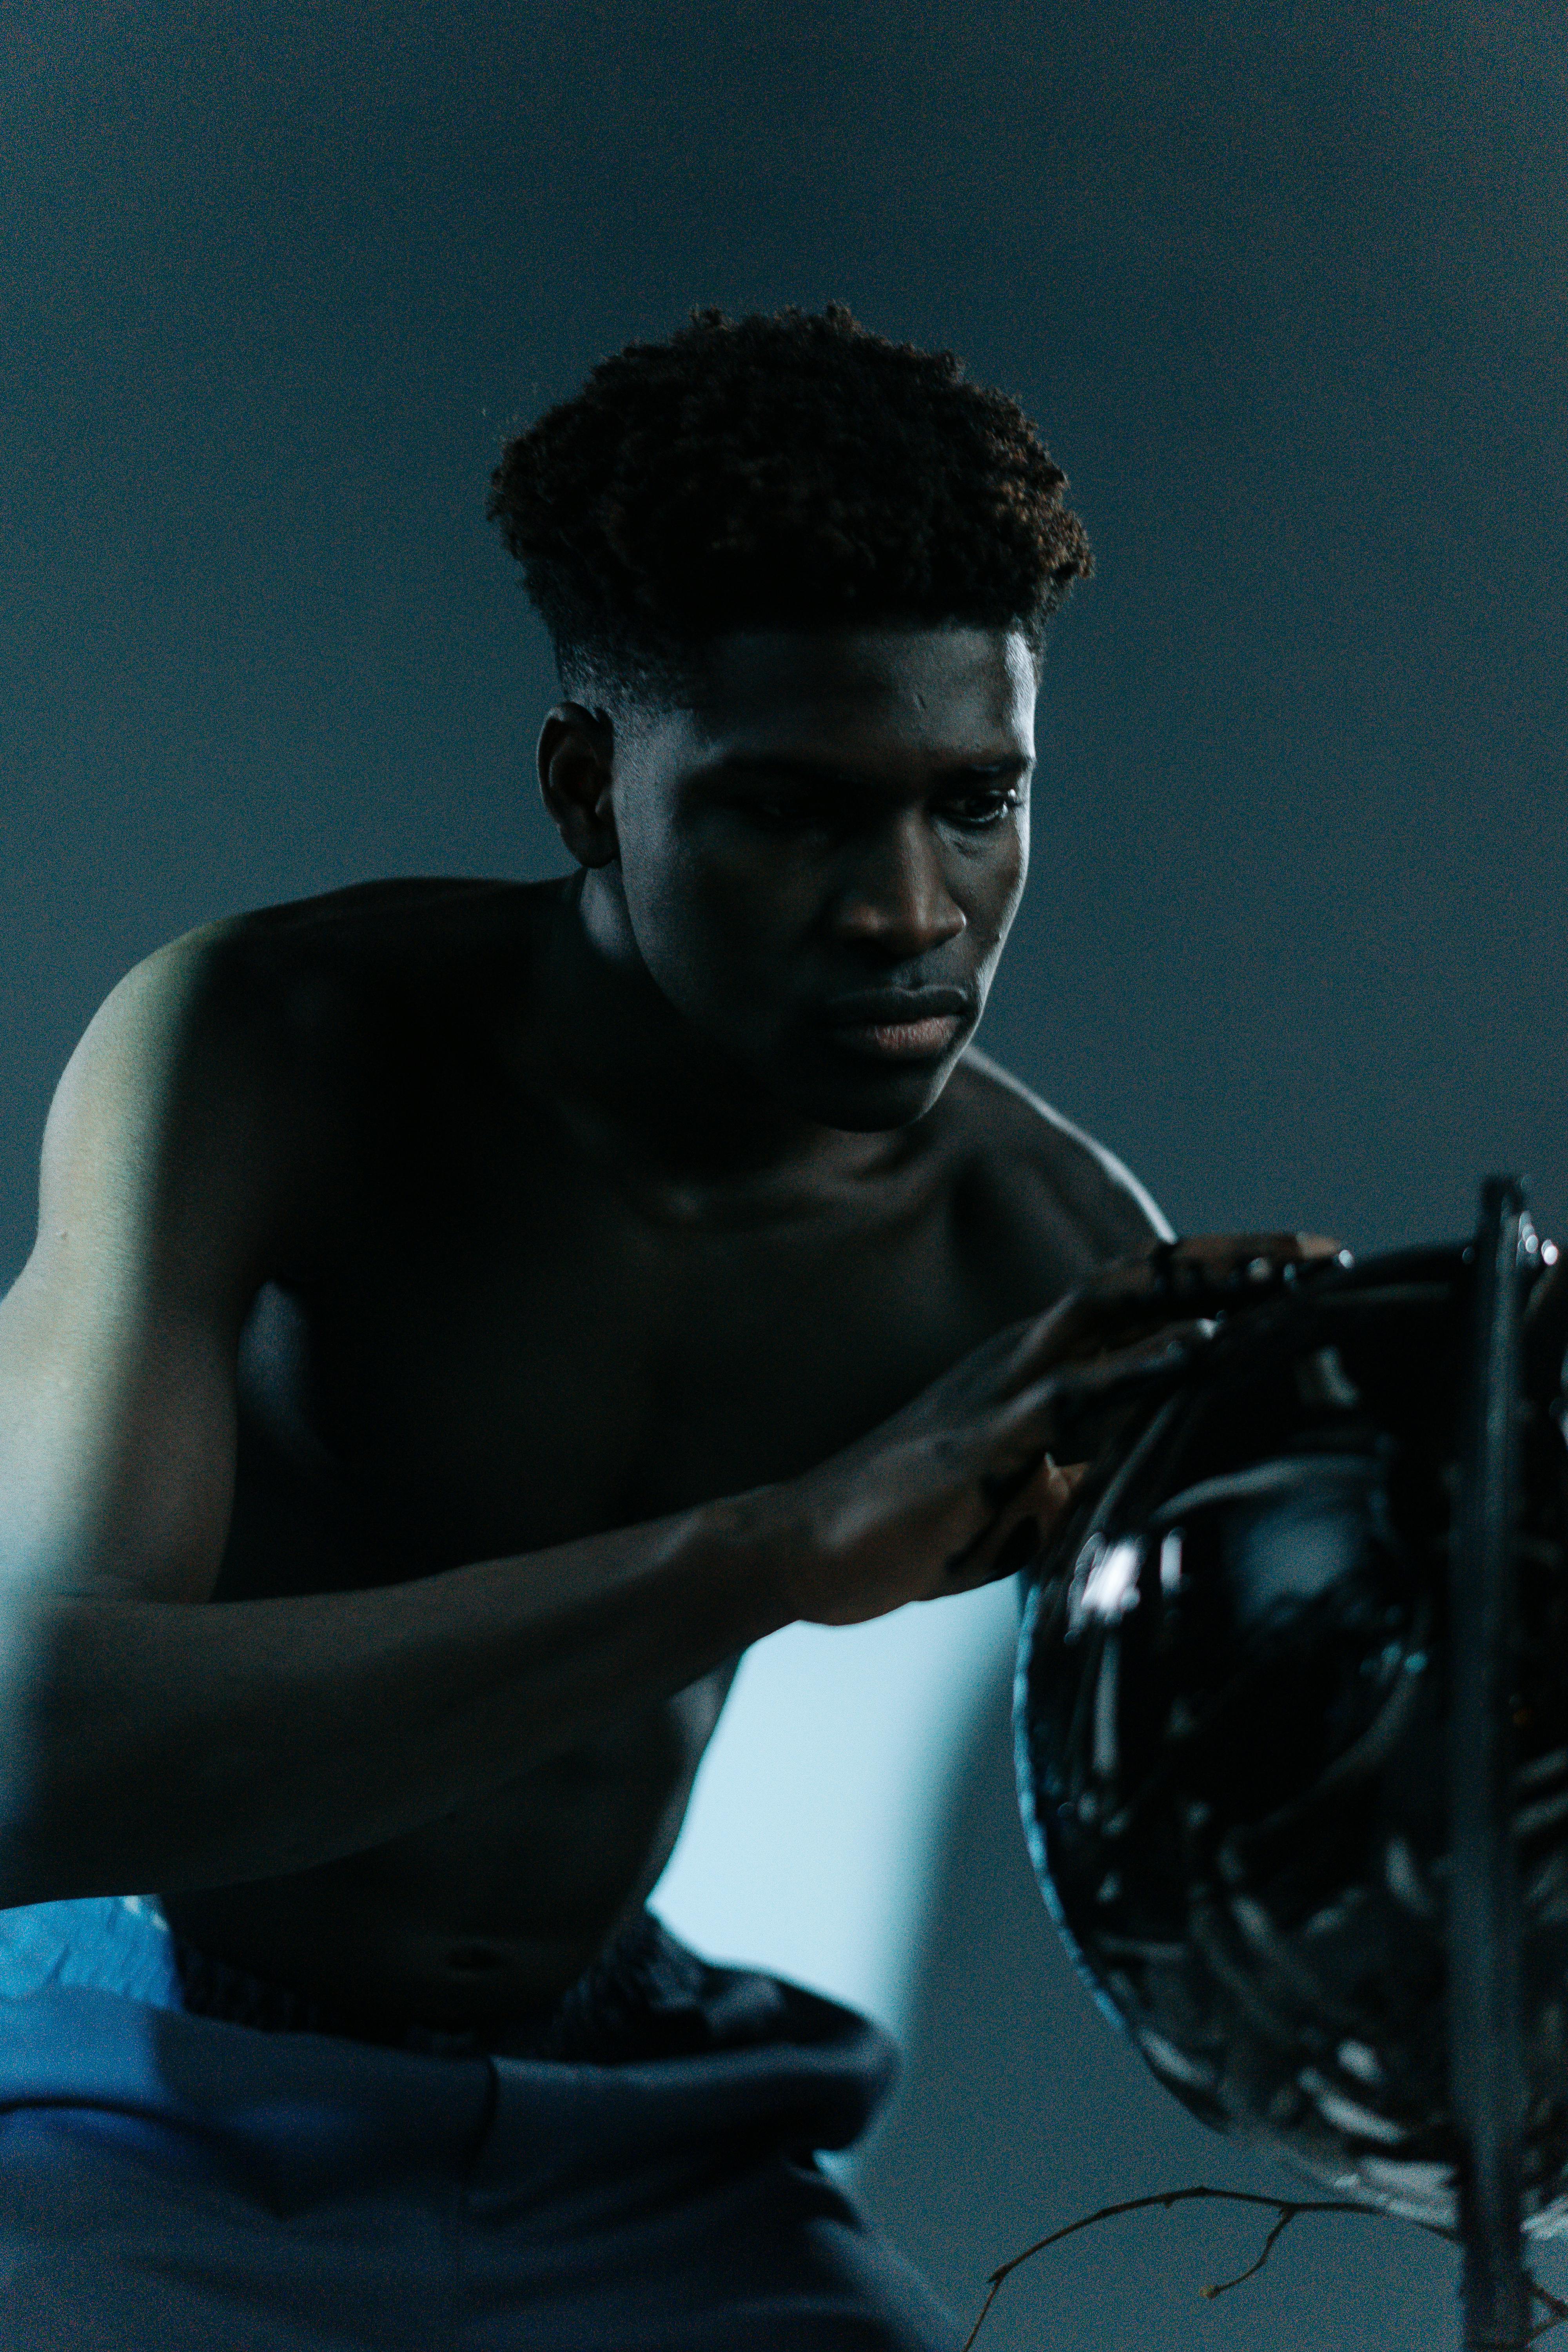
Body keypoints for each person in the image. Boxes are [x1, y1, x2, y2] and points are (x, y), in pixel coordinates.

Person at [0, 302, 1325, 2349]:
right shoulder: (272, 1053)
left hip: (633, 2145)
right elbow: (29, 1757)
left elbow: (1286, 1859)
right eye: (799, 810)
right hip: (116, 2098)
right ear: (586, 784)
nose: (906, 909)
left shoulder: (1039, 1252)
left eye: (976, 801)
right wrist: (775, 1552)